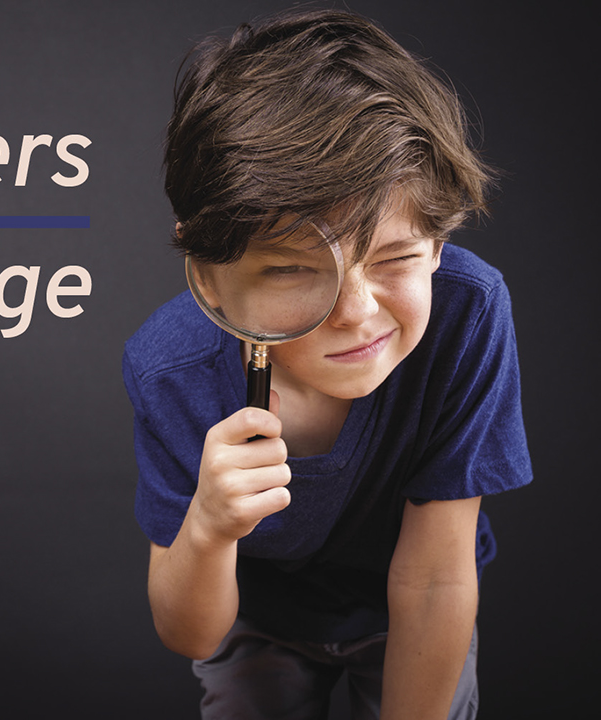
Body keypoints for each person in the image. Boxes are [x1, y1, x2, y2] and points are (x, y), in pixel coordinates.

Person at [122, 8, 532, 719]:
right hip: (254, 618)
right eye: (289, 271)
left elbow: (434, 580)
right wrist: (209, 526)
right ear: (209, 277)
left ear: (437, 246)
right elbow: (189, 631)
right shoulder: (170, 369)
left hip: (412, 606)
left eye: (396, 258)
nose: (353, 310)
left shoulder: (466, 314)